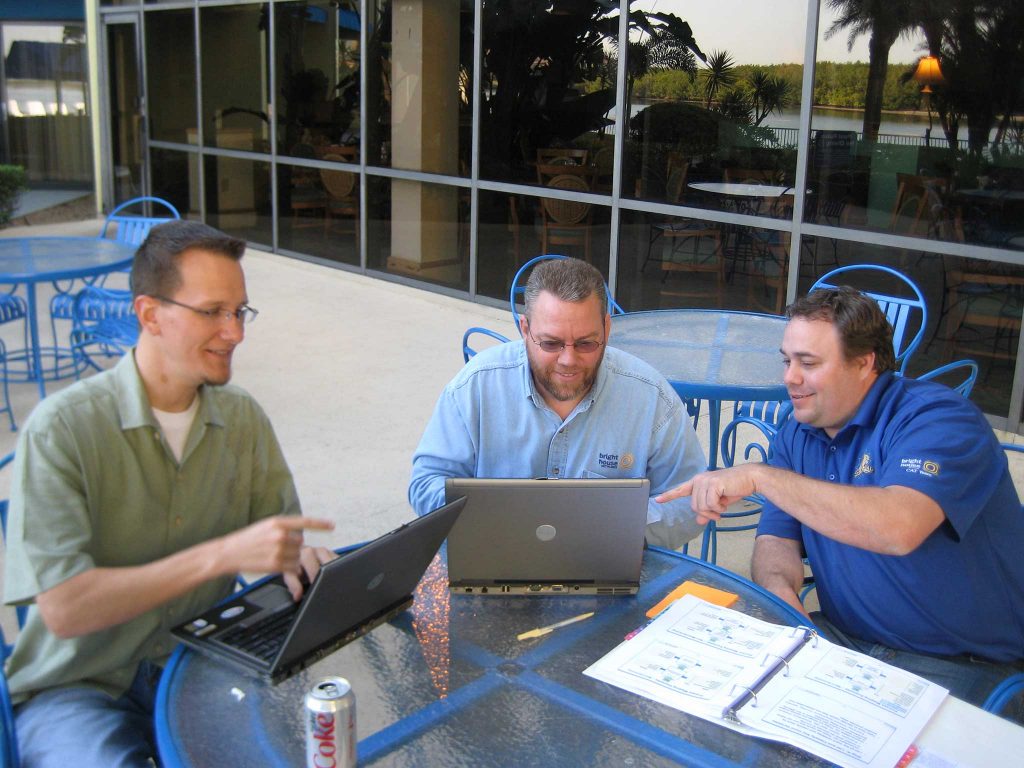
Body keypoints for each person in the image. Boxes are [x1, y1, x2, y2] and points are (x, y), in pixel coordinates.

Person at [3, 220, 336, 767]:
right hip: (78, 686)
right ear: (149, 314)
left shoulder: (243, 419)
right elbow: (64, 609)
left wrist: (299, 561)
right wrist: (222, 555)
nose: (235, 332)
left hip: (199, 666)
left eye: (240, 311)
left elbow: (281, 550)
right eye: (212, 311)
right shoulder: (61, 429)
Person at [658, 286, 1024, 713]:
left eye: (808, 363)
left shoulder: (937, 419)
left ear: (864, 362)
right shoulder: (798, 433)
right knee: (703, 700)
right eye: (787, 360)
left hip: (960, 662)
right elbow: (776, 539)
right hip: (841, 643)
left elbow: (898, 527)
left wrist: (759, 476)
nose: (790, 377)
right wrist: (785, 605)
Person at [409, 256, 706, 548]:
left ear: (607, 328)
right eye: (551, 343)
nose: (568, 360)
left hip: (607, 558)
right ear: (525, 330)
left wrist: (613, 528)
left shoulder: (650, 397)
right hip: (495, 551)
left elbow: (689, 501)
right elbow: (426, 482)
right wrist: (497, 521)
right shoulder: (475, 386)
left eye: (586, 343)